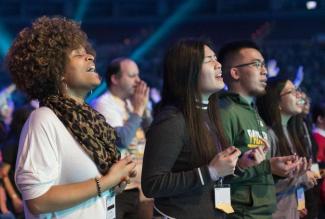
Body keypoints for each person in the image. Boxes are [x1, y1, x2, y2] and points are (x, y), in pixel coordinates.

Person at [6, 16, 136, 219]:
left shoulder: (91, 119)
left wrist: (116, 184)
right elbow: (37, 201)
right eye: (78, 54)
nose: (90, 56)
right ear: (58, 72)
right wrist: (108, 181)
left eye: (88, 53)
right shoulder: (43, 120)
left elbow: (91, 192)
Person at [141, 38, 243, 218]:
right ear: (188, 70)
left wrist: (240, 164)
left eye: (216, 58)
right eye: (209, 59)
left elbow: (209, 169)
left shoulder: (208, 114)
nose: (218, 64)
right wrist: (210, 172)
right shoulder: (172, 120)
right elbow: (152, 184)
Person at [217, 40, 300, 219]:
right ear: (235, 73)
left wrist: (275, 169)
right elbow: (217, 176)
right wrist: (224, 213)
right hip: (241, 214)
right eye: (256, 65)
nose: (265, 71)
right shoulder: (225, 112)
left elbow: (257, 169)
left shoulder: (254, 113)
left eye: (263, 65)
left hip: (263, 212)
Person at [91, 58, 153, 219]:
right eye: (132, 76)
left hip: (141, 188)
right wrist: (138, 109)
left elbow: (153, 135)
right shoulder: (103, 104)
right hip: (119, 189)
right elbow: (122, 140)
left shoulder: (133, 102)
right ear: (115, 79)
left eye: (138, 75)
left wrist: (144, 108)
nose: (138, 81)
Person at [256, 78, 318, 219]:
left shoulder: (291, 132)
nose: (299, 95)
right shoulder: (269, 135)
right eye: (292, 91)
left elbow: (296, 181)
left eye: (297, 90)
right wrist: (302, 178)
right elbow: (262, 187)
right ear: (277, 102)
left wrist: (300, 204)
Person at [1, 105, 35, 219]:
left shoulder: (27, 139)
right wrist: (14, 197)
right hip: (20, 199)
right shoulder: (12, 143)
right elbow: (3, 174)